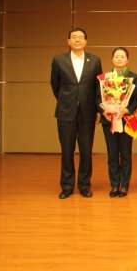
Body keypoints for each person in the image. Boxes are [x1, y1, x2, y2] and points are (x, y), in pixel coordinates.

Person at [50, 28, 102, 199]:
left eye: (81, 38)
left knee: (86, 151)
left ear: (86, 41)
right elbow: (55, 85)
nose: (77, 40)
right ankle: (67, 186)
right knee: (67, 150)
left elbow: (98, 88)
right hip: (66, 112)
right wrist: (67, 100)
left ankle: (84, 185)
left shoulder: (94, 60)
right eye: (74, 37)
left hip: (88, 112)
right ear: (68, 41)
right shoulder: (59, 60)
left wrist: (98, 110)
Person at [97, 47, 137, 197]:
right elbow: (97, 97)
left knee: (125, 153)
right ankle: (114, 185)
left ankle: (125, 185)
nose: (119, 59)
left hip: (126, 119)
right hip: (109, 120)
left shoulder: (133, 77)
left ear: (127, 59)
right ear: (112, 59)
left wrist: (127, 109)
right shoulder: (104, 78)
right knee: (112, 154)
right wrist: (103, 110)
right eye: (116, 56)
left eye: (122, 56)